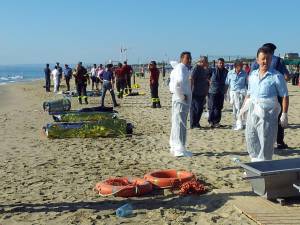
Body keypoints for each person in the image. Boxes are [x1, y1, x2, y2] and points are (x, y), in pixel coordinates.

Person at [241, 47, 289, 162]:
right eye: (263, 59)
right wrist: (243, 109)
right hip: (253, 110)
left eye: (268, 59)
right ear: (257, 60)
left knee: (266, 140)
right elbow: (249, 94)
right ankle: (255, 162)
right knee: (251, 136)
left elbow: (284, 96)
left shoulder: (276, 76)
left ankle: (265, 165)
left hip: (268, 113)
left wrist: (284, 114)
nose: (265, 62)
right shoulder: (252, 75)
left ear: (271, 59)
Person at [251, 43, 290, 149]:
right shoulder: (278, 60)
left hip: (258, 96)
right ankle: (279, 142)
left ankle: (261, 141)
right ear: (273, 51)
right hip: (275, 95)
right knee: (277, 119)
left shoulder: (258, 59)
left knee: (258, 118)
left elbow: (252, 73)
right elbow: (286, 75)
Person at [169, 51, 193, 157]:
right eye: (187, 58)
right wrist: (183, 96)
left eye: (190, 58)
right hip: (180, 100)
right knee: (180, 123)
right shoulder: (181, 68)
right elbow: (177, 84)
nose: (189, 60)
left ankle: (175, 146)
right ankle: (179, 148)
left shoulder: (179, 68)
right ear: (182, 58)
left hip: (178, 100)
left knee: (176, 122)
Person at [226, 60, 248, 130]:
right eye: (240, 66)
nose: (241, 67)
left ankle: (240, 123)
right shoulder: (230, 73)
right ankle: (237, 122)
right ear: (235, 66)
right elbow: (227, 83)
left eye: (242, 66)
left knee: (240, 108)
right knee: (234, 109)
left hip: (241, 92)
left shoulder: (244, 73)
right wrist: (226, 93)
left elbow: (247, 84)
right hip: (233, 93)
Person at [190, 56, 211, 128]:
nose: (207, 63)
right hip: (196, 92)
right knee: (195, 109)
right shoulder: (196, 68)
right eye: (206, 62)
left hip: (202, 92)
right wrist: (191, 89)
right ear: (202, 62)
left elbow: (205, 80)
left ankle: (197, 123)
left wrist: (206, 90)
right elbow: (191, 79)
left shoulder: (204, 69)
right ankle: (193, 124)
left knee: (200, 109)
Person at [207, 58, 228, 128]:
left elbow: (227, 81)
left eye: (222, 63)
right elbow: (206, 76)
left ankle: (217, 122)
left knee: (219, 107)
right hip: (213, 91)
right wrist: (209, 82)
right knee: (212, 107)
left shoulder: (226, 71)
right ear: (217, 63)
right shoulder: (212, 69)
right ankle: (211, 121)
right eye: (220, 63)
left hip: (221, 91)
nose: (221, 64)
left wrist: (225, 90)